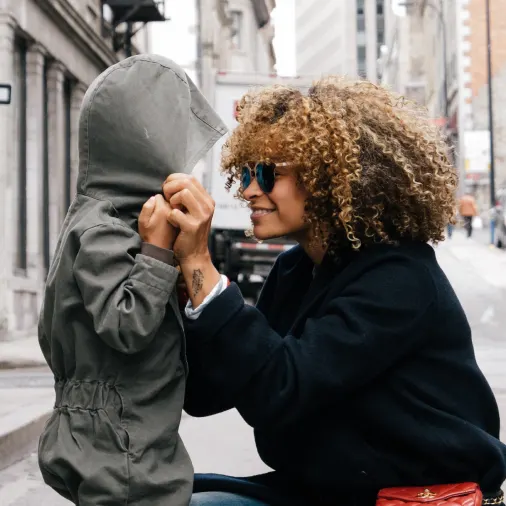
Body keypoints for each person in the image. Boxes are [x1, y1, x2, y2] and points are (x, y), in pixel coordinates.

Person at [163, 77, 506, 506]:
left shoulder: (399, 278)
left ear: (329, 177)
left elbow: (281, 388)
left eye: (268, 173)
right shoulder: (296, 269)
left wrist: (203, 269)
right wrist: (187, 296)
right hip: (330, 490)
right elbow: (209, 392)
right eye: (247, 172)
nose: (249, 189)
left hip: (418, 498)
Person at [37, 55, 226, 505]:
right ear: (144, 143)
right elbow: (128, 324)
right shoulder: (105, 226)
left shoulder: (110, 216)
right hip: (121, 446)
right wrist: (158, 251)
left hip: (119, 434)